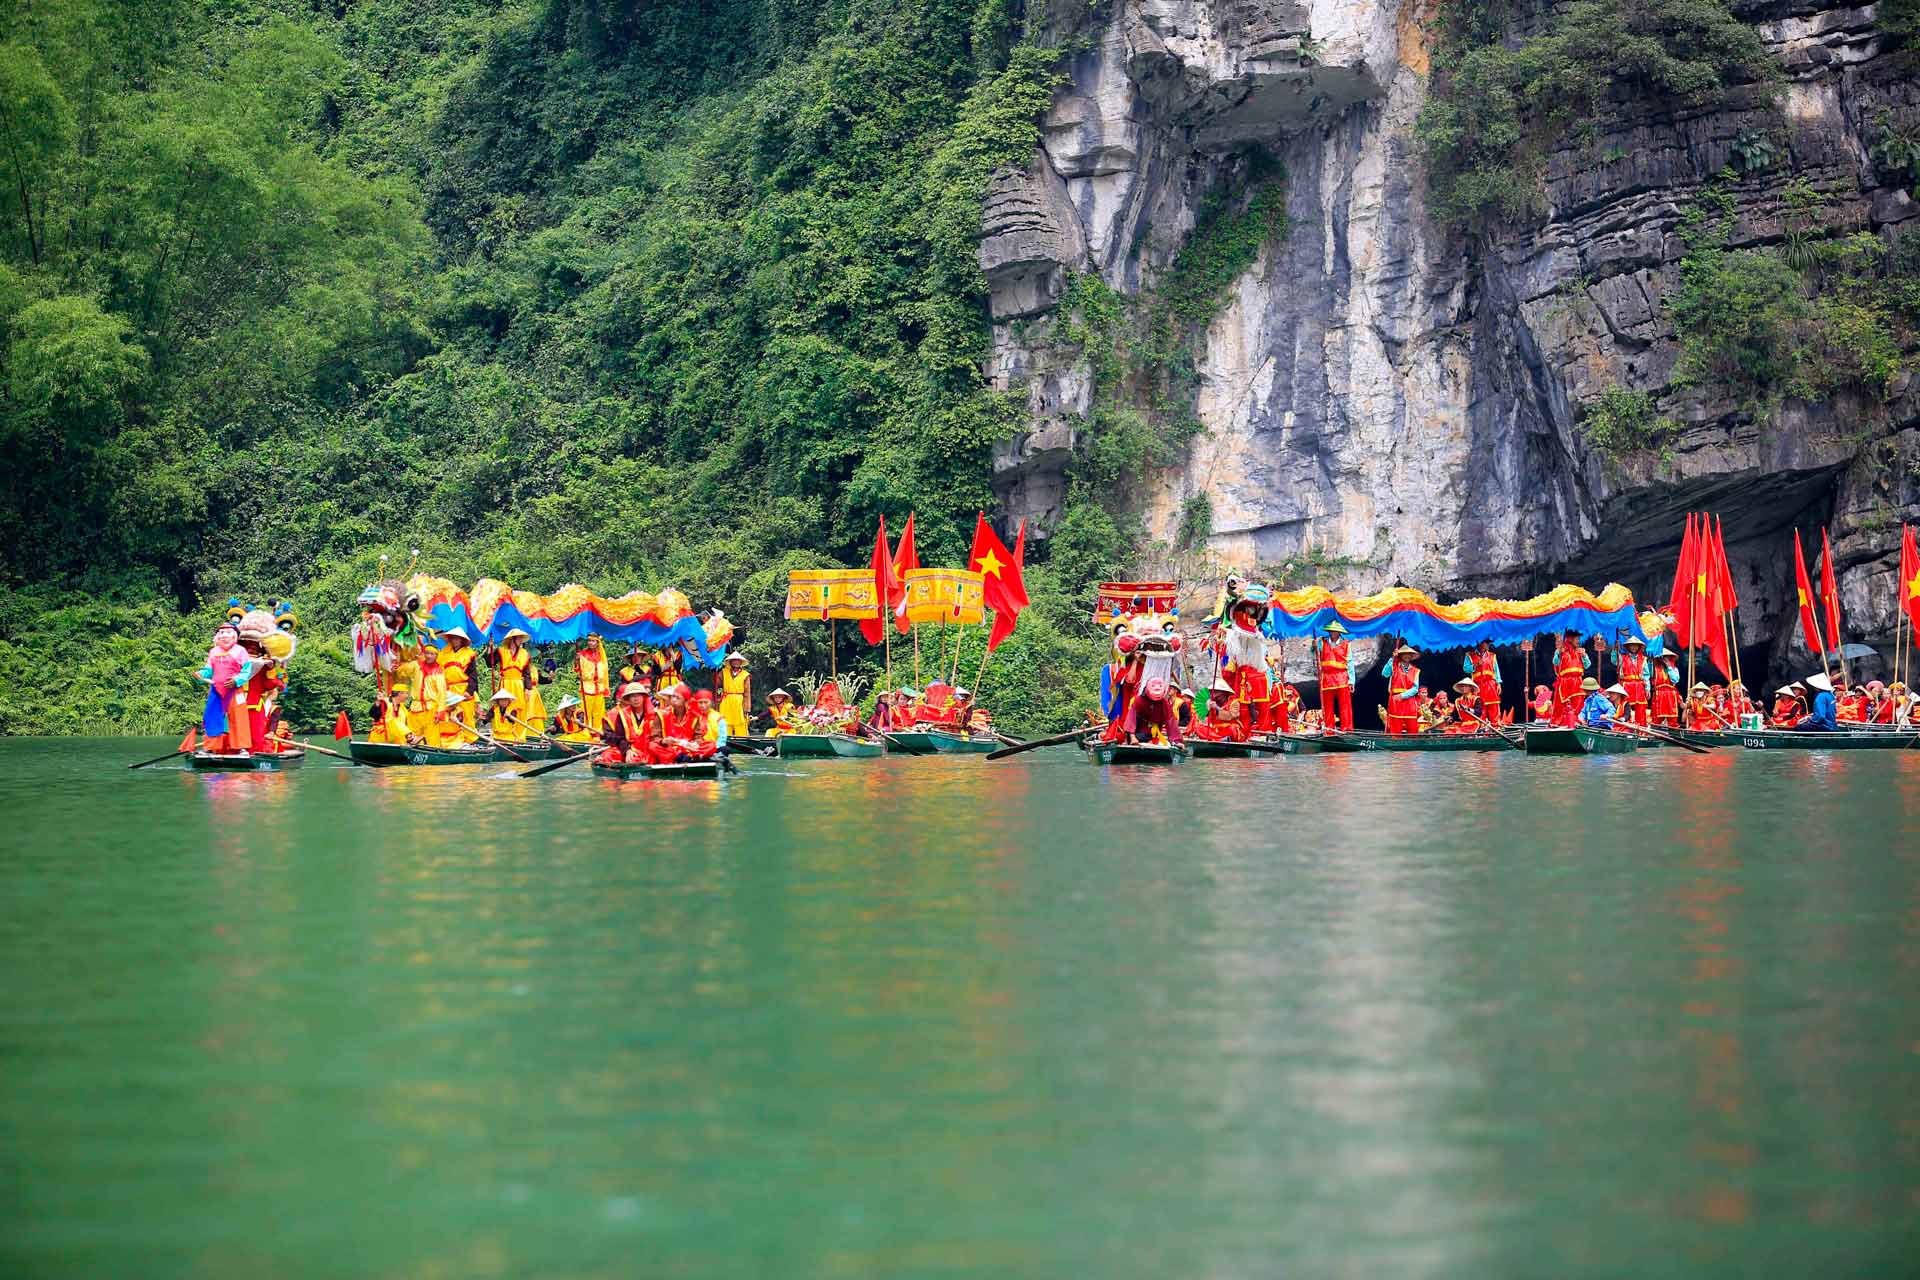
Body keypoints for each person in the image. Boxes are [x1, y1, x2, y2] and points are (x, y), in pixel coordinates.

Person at [198, 622, 255, 755]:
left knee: (238, 717)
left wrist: (236, 680)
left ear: (234, 636)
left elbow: (247, 670)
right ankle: (210, 748)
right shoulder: (213, 651)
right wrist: (202, 674)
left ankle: (242, 748)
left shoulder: (241, 651)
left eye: (228, 633)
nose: (224, 636)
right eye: (221, 633)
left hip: (235, 689)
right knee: (213, 717)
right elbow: (209, 669)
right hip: (216, 690)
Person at [650, 684, 717, 763]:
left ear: (686, 701)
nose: (674, 700)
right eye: (673, 696)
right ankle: (682, 757)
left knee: (711, 745)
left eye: (677, 698)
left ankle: (687, 757)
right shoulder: (662, 714)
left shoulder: (694, 716)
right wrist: (663, 741)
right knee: (652, 746)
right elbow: (654, 737)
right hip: (670, 748)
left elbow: (698, 736)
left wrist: (695, 743)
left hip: (688, 748)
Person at [599, 681, 656, 764]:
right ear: (628, 699)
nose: (636, 699)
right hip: (628, 747)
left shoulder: (654, 714)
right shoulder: (622, 714)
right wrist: (627, 750)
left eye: (638, 695)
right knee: (608, 756)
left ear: (643, 697)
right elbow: (619, 737)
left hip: (648, 748)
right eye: (632, 696)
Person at [438, 626, 479, 732]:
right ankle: (452, 739)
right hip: (448, 690)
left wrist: (469, 691)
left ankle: (469, 740)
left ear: (461, 640)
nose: (455, 640)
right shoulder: (443, 653)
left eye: (457, 638)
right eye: (453, 638)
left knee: (466, 716)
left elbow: (473, 675)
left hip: (463, 688)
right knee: (450, 717)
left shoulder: (469, 654)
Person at [1315, 621, 1354, 731]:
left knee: (1345, 705)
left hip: (1341, 677)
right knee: (1327, 706)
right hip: (1327, 678)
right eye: (1331, 631)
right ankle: (1329, 729)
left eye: (1335, 631)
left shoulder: (1346, 643)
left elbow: (1350, 662)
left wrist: (1351, 680)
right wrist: (1313, 647)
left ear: (1339, 632)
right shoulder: (1321, 642)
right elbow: (1314, 653)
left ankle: (1346, 729)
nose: (1333, 633)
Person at [574, 635, 611, 732]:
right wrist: (577, 660)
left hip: (599, 688)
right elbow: (577, 670)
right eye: (589, 640)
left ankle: (597, 733)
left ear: (598, 642)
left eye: (593, 641)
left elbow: (605, 673)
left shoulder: (601, 655)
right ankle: (586, 731)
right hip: (587, 687)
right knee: (586, 711)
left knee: (598, 712)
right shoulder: (582, 654)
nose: (591, 643)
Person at [1552, 630, 1590, 723]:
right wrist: (1558, 653)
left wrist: (1584, 656)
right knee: (1563, 704)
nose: (1578, 641)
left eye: (1579, 639)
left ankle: (1576, 721)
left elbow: (1587, 665)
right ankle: (1562, 722)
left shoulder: (1580, 651)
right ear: (1570, 639)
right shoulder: (1561, 650)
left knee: (1579, 702)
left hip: (1578, 681)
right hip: (1565, 681)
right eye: (1577, 639)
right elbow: (1555, 662)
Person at [496, 628, 532, 725]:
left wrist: (528, 688)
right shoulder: (501, 651)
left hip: (518, 684)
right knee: (504, 705)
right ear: (512, 639)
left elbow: (527, 673)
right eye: (519, 638)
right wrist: (489, 648)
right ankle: (504, 730)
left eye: (521, 638)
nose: (521, 640)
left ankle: (519, 735)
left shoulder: (525, 654)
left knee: (519, 707)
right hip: (505, 683)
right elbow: (489, 662)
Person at [1383, 644, 1421, 736]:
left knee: (1412, 728)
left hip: (1409, 701)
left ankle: (1413, 747)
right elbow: (1385, 674)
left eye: (1409, 654)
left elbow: (1415, 689)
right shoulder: (1394, 666)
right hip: (1396, 701)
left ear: (1411, 656)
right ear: (1400, 655)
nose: (1407, 656)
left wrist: (1402, 696)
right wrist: (1392, 658)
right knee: (1395, 728)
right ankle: (1395, 745)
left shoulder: (1416, 671)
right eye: (1404, 654)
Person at [1615, 637, 1650, 726]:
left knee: (1641, 708)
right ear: (1628, 647)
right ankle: (1625, 727)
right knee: (1626, 705)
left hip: (1639, 685)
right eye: (1632, 645)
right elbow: (1614, 660)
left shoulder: (1643, 659)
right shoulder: (1622, 658)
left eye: (1636, 646)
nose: (1634, 647)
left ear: (1639, 647)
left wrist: (1647, 688)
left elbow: (1646, 675)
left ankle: (1642, 728)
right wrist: (1615, 650)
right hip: (1626, 685)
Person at [718, 652, 752, 740]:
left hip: (739, 700)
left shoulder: (745, 675)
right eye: (734, 661)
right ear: (730, 662)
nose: (736, 662)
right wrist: (714, 672)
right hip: (726, 699)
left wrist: (747, 708)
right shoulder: (723, 672)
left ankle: (742, 740)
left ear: (741, 662)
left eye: (738, 661)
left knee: (740, 722)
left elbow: (747, 693)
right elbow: (717, 684)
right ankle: (725, 740)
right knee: (725, 721)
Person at [1465, 640, 1502, 718]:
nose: (1488, 644)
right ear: (1480, 643)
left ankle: (1495, 726)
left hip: (1490, 684)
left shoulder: (1492, 655)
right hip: (1477, 685)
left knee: (1493, 706)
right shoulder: (1470, 655)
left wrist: (1498, 684)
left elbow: (1496, 671)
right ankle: (1481, 727)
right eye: (1486, 643)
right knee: (1480, 707)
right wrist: (1476, 665)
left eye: (1489, 643)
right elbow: (1466, 669)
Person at [1650, 651, 1682, 727]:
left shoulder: (1674, 669)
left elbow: (1675, 680)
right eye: (1663, 657)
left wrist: (1669, 667)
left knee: (1672, 717)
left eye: (1667, 658)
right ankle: (1656, 732)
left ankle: (1673, 733)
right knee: (1657, 717)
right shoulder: (1654, 669)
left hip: (1671, 695)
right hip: (1659, 694)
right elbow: (1648, 675)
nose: (1665, 659)